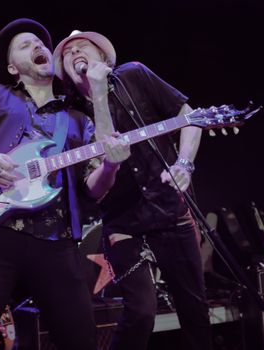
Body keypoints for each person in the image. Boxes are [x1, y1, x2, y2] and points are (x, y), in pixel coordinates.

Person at [0, 19, 129, 350]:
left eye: (41, 42)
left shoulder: (79, 120)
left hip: (56, 243)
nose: (39, 46)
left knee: (81, 342)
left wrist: (111, 164)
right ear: (12, 67)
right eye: (26, 45)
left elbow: (92, 189)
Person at [53, 30, 213, 350]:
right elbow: (93, 189)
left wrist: (184, 164)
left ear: (105, 59)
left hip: (170, 209)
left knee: (194, 308)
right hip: (123, 223)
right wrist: (98, 96)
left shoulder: (134, 75)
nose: (74, 53)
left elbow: (189, 118)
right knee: (140, 313)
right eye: (67, 53)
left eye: (83, 47)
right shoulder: (67, 115)